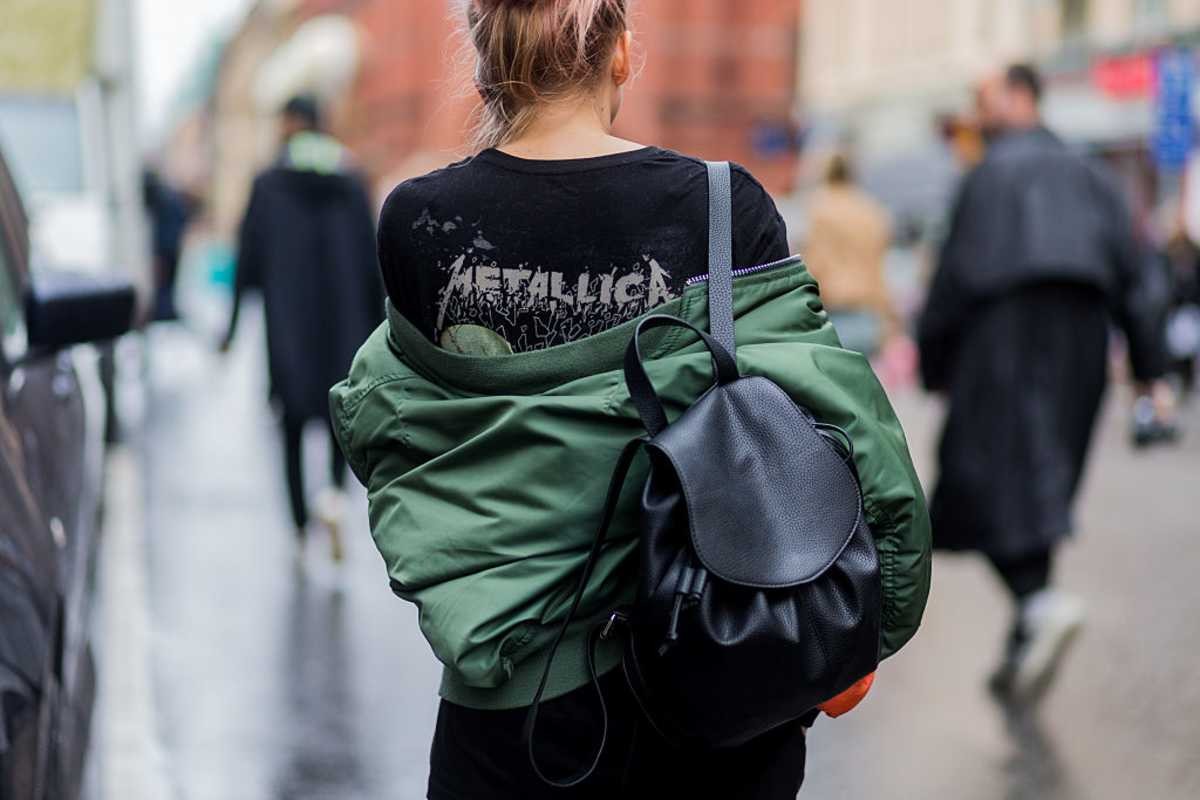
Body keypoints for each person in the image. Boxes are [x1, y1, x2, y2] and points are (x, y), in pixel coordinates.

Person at [330, 1, 931, 798]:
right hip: (715, 693)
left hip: (508, 716)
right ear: (619, 55)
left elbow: (386, 424)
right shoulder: (722, 208)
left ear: (482, 61)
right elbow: (854, 434)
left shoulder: (415, 222)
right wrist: (859, 634)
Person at [919, 64, 1173, 704]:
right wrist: (1150, 370)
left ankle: (1039, 602)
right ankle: (1030, 624)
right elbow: (1138, 272)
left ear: (1022, 95)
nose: (979, 108)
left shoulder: (987, 176)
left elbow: (949, 279)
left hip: (999, 332)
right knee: (1042, 479)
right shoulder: (1090, 175)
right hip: (1083, 336)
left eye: (987, 95)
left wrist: (935, 363)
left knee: (975, 478)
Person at [222, 94, 382, 562]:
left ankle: (297, 530)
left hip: (289, 333)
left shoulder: (269, 184)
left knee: (291, 428)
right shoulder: (351, 183)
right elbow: (374, 266)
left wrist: (230, 330)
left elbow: (245, 263)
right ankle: (332, 498)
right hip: (344, 333)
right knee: (338, 421)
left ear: (290, 124)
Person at [803, 152, 897, 357]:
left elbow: (815, 265)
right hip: (868, 313)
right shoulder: (871, 211)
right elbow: (878, 268)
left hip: (833, 311)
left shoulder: (821, 209)